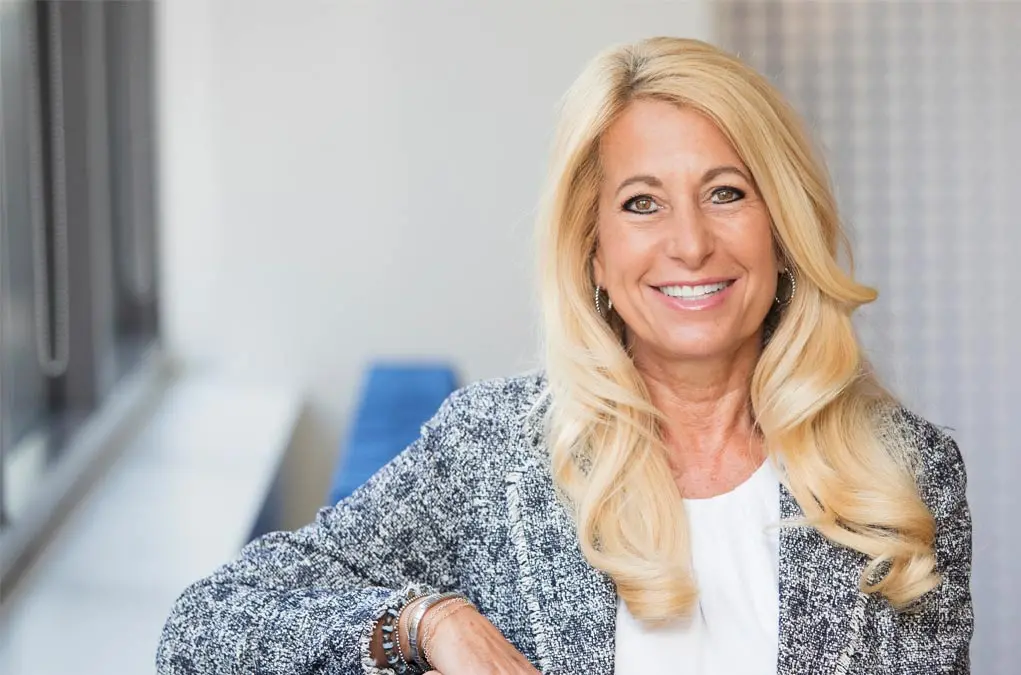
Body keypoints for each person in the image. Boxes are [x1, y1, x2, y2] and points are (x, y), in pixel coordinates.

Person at [157, 36, 972, 675]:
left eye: (727, 192)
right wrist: (428, 622)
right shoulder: (495, 450)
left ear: (784, 231)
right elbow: (208, 627)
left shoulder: (908, 474)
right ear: (593, 252)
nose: (690, 243)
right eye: (642, 203)